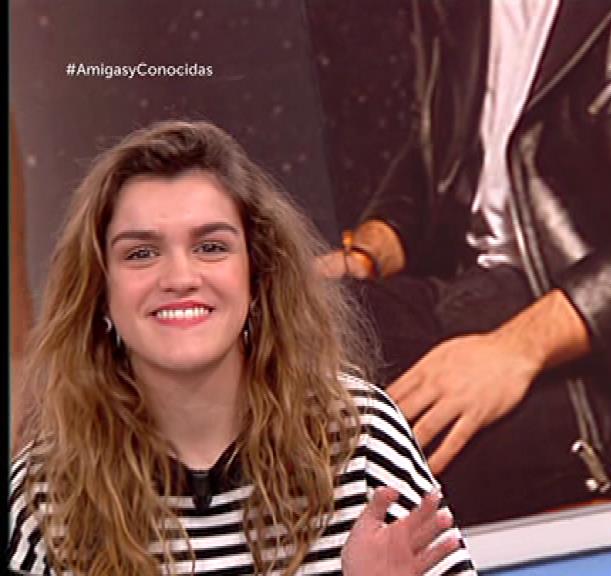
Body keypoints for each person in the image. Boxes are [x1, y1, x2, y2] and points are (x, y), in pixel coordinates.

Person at [318, 0, 611, 524]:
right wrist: (369, 252)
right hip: (473, 293)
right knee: (294, 341)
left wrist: (518, 348)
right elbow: (441, 150)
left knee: (403, 473)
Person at [8, 120, 476, 576]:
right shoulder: (43, 494)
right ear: (100, 292)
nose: (180, 278)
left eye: (211, 247)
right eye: (141, 253)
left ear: (257, 276)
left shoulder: (360, 436)